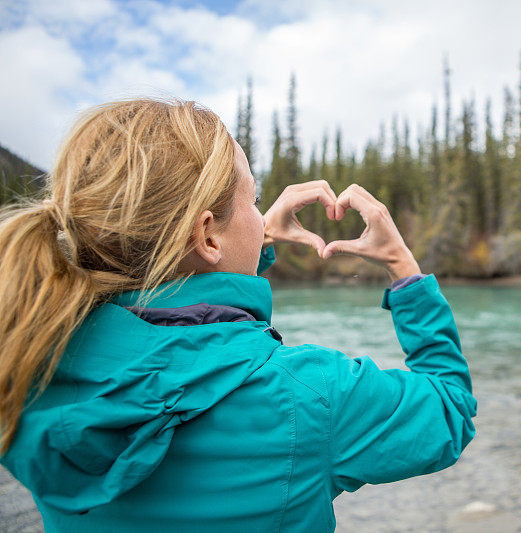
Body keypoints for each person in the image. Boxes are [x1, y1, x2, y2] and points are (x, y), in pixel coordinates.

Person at [0, 98, 477, 531]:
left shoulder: (32, 355)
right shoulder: (309, 393)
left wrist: (250, 239)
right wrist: (403, 268)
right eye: (251, 199)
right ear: (207, 236)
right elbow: (450, 407)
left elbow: (184, 307)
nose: (259, 212)